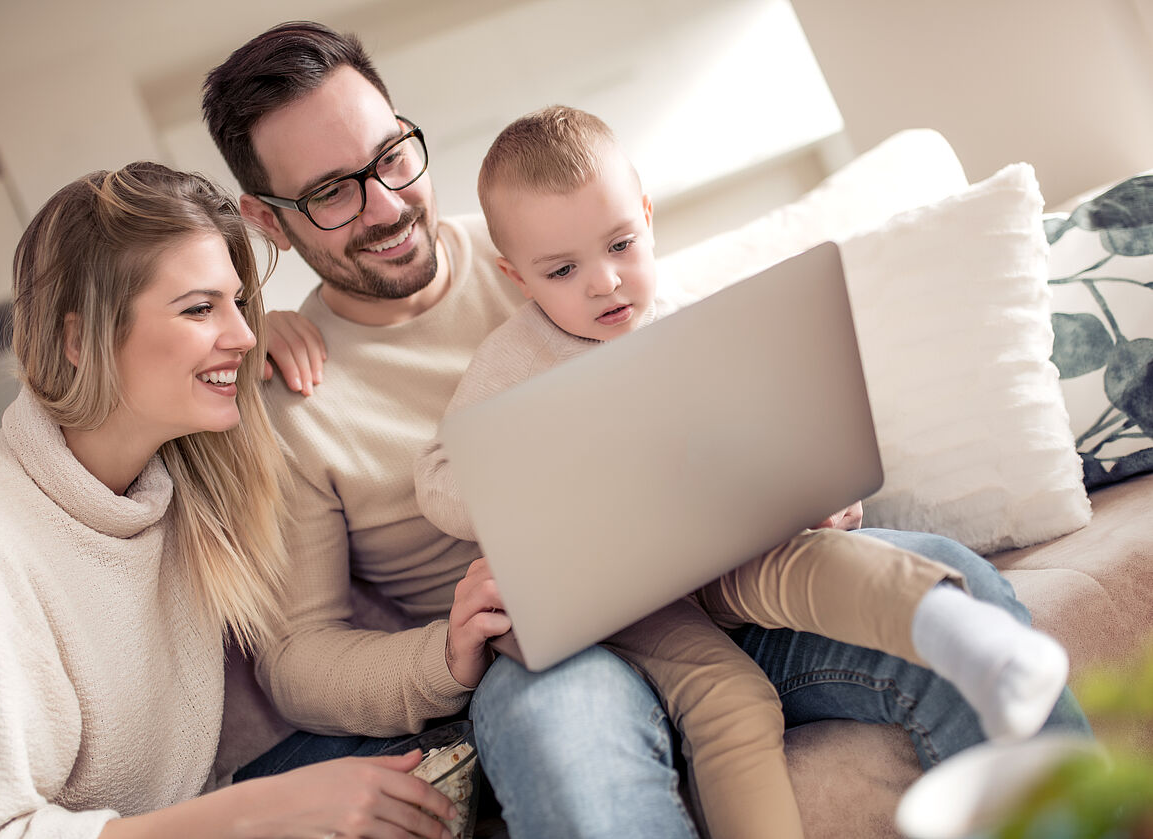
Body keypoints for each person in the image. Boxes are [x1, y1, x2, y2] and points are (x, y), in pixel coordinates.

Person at [202, 21, 1091, 839]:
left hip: (722, 575)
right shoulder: (288, 393)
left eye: (392, 155)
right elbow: (295, 657)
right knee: (567, 741)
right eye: (331, 195)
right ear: (266, 219)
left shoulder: (556, 230)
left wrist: (796, 473)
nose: (387, 204)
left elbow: (710, 370)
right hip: (552, 651)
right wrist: (445, 650)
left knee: (951, 584)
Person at [413, 104, 1076, 839]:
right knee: (730, 699)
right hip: (614, 602)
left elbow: (763, 422)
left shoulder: (684, 316)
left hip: (714, 550)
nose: (604, 282)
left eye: (621, 244)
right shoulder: (511, 358)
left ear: (646, 214)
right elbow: (438, 477)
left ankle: (972, 644)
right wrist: (542, 476)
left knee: (812, 561)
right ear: (516, 277)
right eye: (563, 270)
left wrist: (808, 486)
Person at [0, 162, 459, 839]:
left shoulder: (183, 472)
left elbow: (314, 636)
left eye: (238, 303)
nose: (244, 335)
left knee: (474, 720)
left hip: (220, 802)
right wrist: (259, 812)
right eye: (199, 307)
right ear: (80, 340)